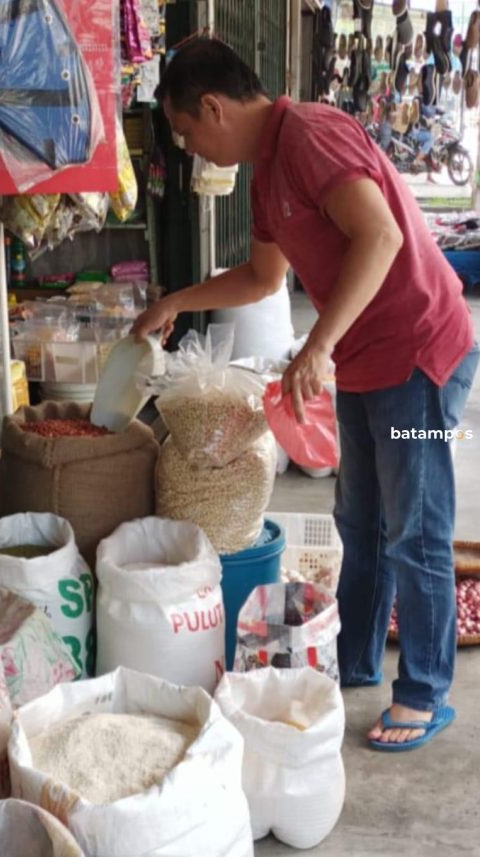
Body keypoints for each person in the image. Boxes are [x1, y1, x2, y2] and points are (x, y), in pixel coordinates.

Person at [131, 37, 478, 751]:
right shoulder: (266, 175)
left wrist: (316, 345)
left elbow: (380, 237)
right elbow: (263, 279)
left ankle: (423, 691)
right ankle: (356, 659)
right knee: (360, 518)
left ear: (214, 107)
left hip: (417, 354)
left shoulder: (311, 135)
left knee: (414, 527)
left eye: (187, 132)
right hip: (365, 359)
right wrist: (176, 301)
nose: (191, 149)